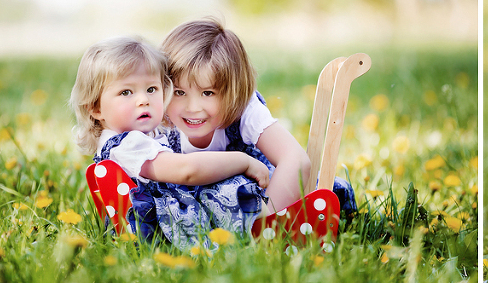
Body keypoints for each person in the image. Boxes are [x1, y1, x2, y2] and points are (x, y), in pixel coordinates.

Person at [70, 36, 270, 250]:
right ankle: (273, 234)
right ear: (95, 108)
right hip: (165, 223)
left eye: (151, 89)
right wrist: (243, 161)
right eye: (126, 92)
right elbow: (187, 171)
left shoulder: (133, 138)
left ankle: (268, 233)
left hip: (169, 214)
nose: (143, 100)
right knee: (234, 188)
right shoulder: (128, 145)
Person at [159, 17, 357, 214]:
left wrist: (267, 222)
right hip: (189, 195)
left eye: (208, 93)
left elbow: (296, 161)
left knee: (325, 194)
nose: (193, 107)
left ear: (233, 92)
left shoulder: (245, 109)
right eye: (179, 92)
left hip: (253, 190)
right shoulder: (152, 112)